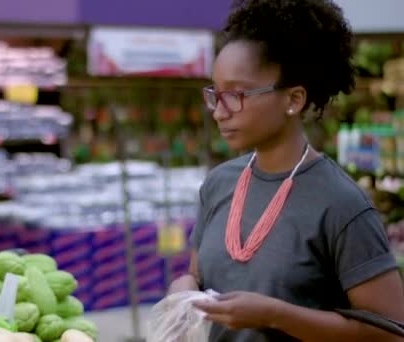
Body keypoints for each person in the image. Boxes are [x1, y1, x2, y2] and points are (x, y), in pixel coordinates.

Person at [167, 0, 404, 341]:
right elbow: (199, 277)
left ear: (293, 99)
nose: (219, 112)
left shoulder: (341, 203)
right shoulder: (219, 184)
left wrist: (277, 316)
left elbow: (391, 332)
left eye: (235, 94)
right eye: (214, 94)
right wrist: (185, 287)